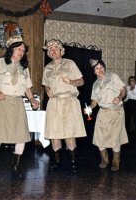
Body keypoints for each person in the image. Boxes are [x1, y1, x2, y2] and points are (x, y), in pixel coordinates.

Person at [0, 35, 39, 179]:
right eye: (19, 48)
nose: (21, 52)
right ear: (11, 49)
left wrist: (32, 99)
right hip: (3, 103)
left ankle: (15, 167)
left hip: (18, 104)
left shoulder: (24, 68)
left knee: (21, 137)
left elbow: (27, 87)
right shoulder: (0, 63)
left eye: (23, 49)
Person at [42, 39, 86, 172]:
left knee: (69, 132)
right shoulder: (47, 68)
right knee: (54, 132)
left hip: (69, 101)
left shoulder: (70, 63)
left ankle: (73, 160)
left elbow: (81, 81)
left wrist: (71, 81)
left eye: (56, 48)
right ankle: (56, 160)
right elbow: (46, 85)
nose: (53, 50)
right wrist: (47, 91)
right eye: (51, 49)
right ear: (49, 53)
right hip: (54, 102)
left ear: (61, 51)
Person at [86, 59, 128, 171]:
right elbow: (94, 101)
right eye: (97, 68)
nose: (100, 70)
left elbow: (124, 90)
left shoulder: (113, 76)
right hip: (103, 112)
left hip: (116, 111)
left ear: (104, 68)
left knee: (115, 138)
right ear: (94, 71)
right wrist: (90, 107)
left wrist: (119, 97)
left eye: (101, 67)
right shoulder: (95, 84)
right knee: (100, 138)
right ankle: (104, 160)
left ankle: (116, 161)